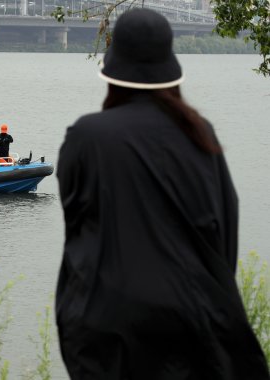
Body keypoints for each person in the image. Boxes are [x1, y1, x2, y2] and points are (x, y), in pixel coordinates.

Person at [55, 8, 270, 380]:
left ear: (111, 71)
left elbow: (78, 231)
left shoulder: (88, 136)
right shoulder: (200, 133)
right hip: (195, 322)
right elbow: (224, 230)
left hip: (109, 331)